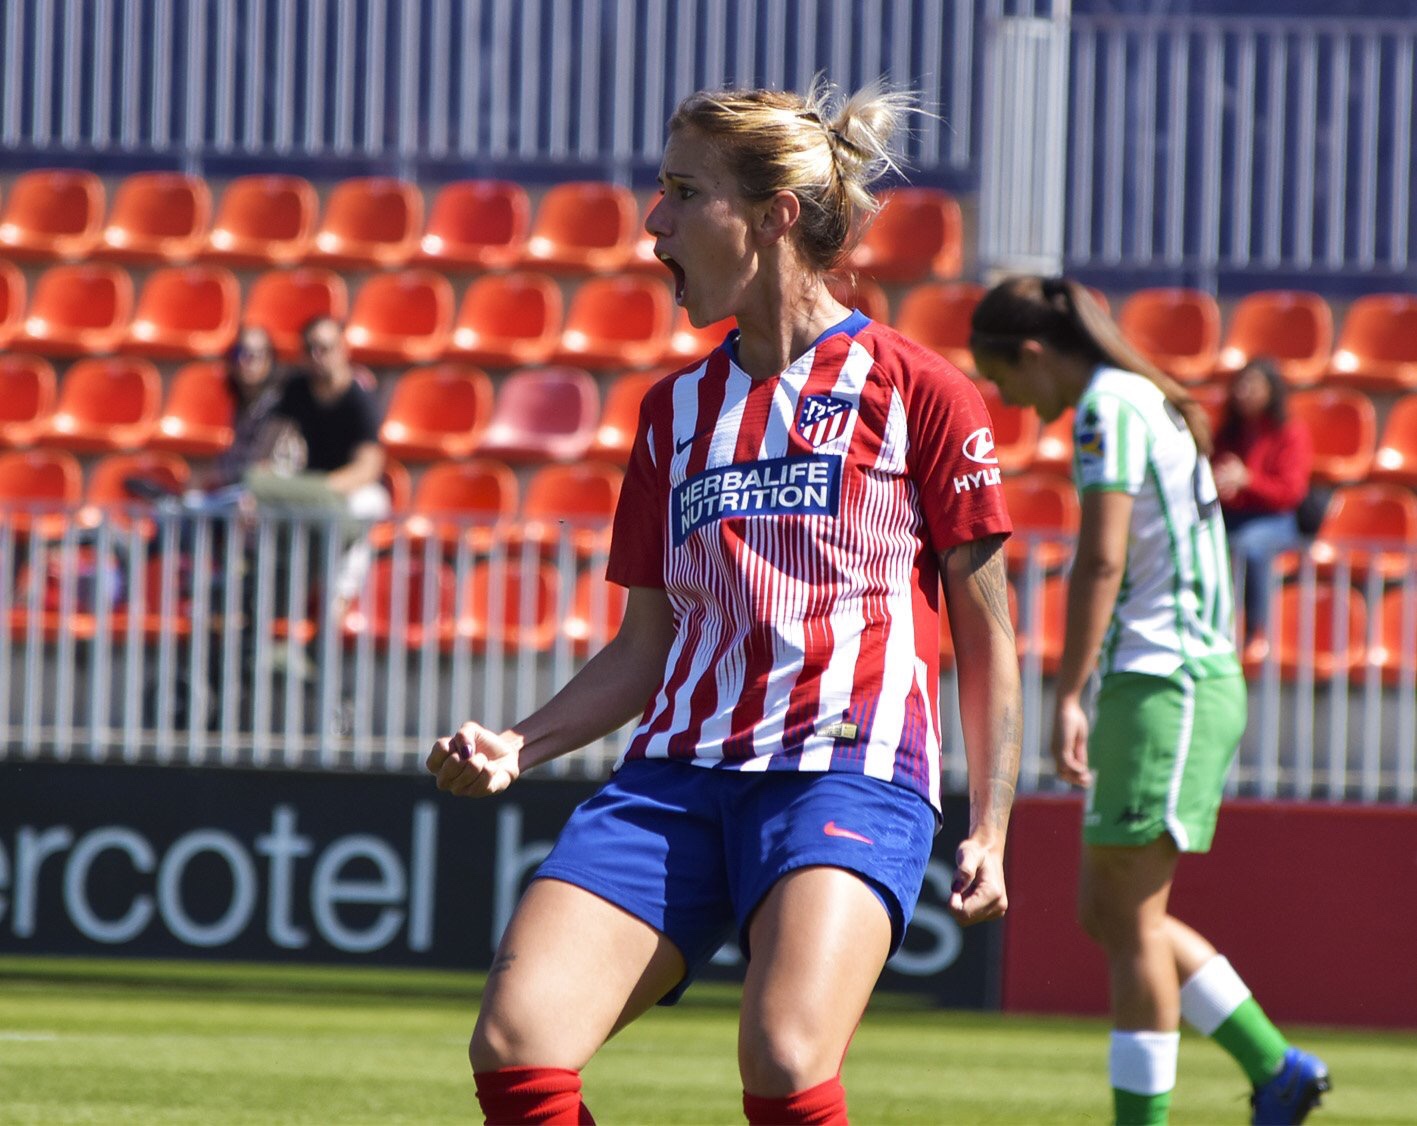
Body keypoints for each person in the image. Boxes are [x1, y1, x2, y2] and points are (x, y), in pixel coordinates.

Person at [427, 78, 1022, 1126]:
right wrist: (520, 742)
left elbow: (989, 635)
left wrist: (992, 826)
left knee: (785, 1059)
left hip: (847, 770)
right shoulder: (671, 412)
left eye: (681, 191)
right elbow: (643, 647)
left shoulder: (921, 391)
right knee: (516, 1045)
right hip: (675, 777)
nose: (652, 220)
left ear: (773, 214)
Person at [969, 276, 1330, 1126]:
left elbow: (1100, 561)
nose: (1007, 400)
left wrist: (1066, 693)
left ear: (1033, 353)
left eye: (1002, 377)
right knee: (1109, 913)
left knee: (1127, 923)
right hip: (1165, 678)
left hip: (1168, 679)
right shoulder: (1139, 399)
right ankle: (1274, 1068)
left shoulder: (1106, 408)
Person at [252, 314, 389, 617]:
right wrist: (269, 482)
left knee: (362, 514)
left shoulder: (359, 398)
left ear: (343, 349)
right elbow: (268, 447)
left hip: (351, 489)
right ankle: (269, 605)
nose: (318, 356)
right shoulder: (297, 389)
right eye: (311, 348)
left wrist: (321, 490)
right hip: (314, 485)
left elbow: (368, 468)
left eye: (326, 347)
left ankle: (336, 606)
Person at [1211, 359, 1314, 660]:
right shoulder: (1228, 433)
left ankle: (1256, 632)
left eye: (1252, 386)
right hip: (1231, 515)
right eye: (1241, 385)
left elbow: (1291, 492)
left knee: (1249, 547)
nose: (1244, 392)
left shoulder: (1290, 432)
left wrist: (1248, 480)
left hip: (1274, 519)